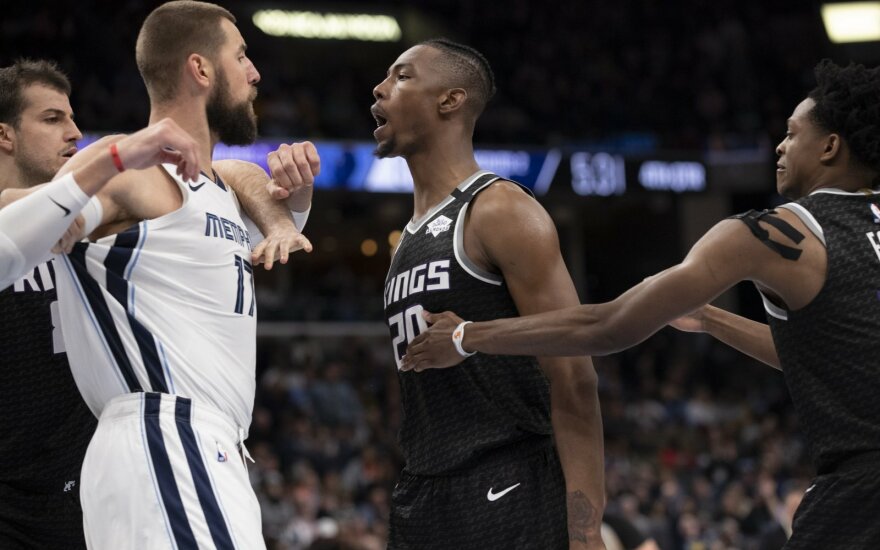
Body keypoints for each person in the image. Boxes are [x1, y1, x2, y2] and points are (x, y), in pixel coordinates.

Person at [403, 59, 880, 548]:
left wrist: (467, 336)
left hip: (860, 495)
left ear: (830, 146)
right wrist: (714, 320)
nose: (780, 145)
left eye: (792, 133)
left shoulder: (780, 233)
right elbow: (825, 358)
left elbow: (608, 326)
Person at [0, 2, 316, 548]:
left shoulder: (215, 181)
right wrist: (108, 160)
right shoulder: (136, 173)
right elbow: (16, 224)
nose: (255, 72)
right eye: (241, 56)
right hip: (164, 440)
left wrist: (287, 215)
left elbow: (242, 187)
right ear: (201, 69)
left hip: (194, 451)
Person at [373, 39, 605, 549]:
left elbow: (574, 376)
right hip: (423, 490)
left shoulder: (498, 208)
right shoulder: (407, 238)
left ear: (450, 100)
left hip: (508, 480)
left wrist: (586, 533)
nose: (380, 88)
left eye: (402, 76)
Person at [0, 58, 97, 550]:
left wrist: (287, 213)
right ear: (5, 135)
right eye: (53, 118)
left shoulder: (87, 219)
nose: (75, 132)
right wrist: (48, 201)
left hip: (81, 499)